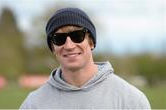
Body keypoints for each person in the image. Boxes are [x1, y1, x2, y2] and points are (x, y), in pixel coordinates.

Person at [20, 7, 151, 109]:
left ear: (91, 42)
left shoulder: (130, 100)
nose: (69, 45)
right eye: (59, 38)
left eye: (77, 35)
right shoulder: (33, 104)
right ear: (53, 47)